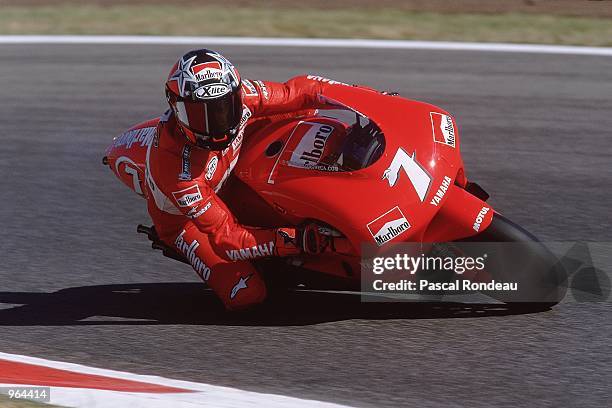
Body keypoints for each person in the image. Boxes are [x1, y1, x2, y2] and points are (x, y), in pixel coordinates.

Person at [145, 49, 351, 311]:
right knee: (246, 295)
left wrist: (367, 99)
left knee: (305, 111)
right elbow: (226, 239)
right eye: (200, 115)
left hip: (232, 169)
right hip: (188, 222)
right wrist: (293, 240)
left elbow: (301, 90)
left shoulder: (245, 96)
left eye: (224, 108)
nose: (216, 124)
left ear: (237, 94)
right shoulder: (177, 172)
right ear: (176, 109)